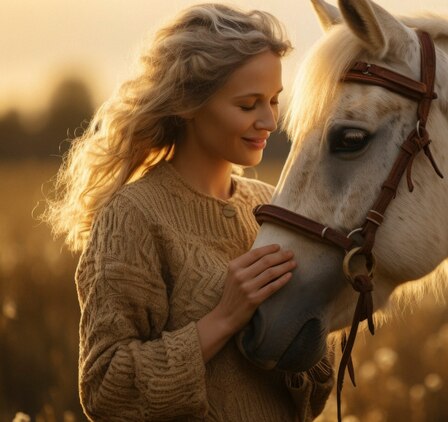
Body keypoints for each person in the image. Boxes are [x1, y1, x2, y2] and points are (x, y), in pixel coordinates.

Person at [43, 3, 334, 421]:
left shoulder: (274, 207)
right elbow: (105, 390)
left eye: (273, 100)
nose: (270, 120)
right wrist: (223, 318)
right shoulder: (133, 215)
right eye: (249, 104)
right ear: (189, 103)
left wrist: (307, 323)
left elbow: (313, 391)